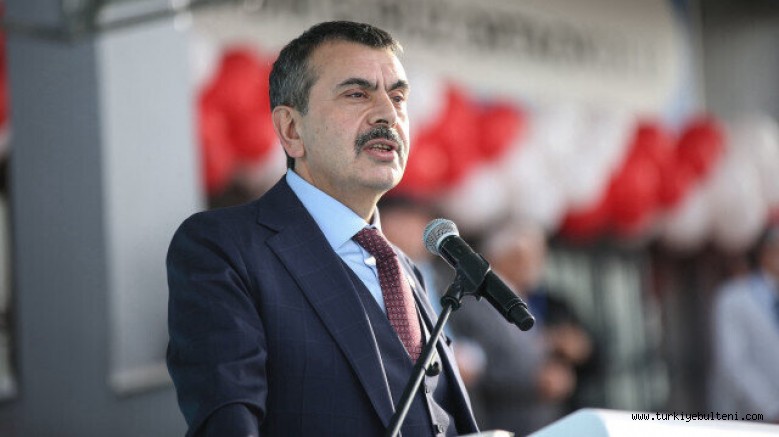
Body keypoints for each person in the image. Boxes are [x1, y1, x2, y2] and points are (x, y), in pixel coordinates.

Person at [166, 21, 479, 436]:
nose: (388, 114)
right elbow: (229, 423)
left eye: (398, 97)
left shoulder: (405, 269)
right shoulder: (225, 247)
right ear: (291, 130)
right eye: (357, 94)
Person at [449, 222, 594, 435]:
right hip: (504, 424)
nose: (536, 265)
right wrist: (535, 381)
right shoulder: (475, 303)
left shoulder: (523, 297)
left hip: (540, 423)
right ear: (507, 256)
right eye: (530, 256)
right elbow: (473, 366)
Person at [709, 224, 779, 422]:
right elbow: (733, 363)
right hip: (750, 418)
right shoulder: (733, 298)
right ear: (766, 254)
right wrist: (771, 408)